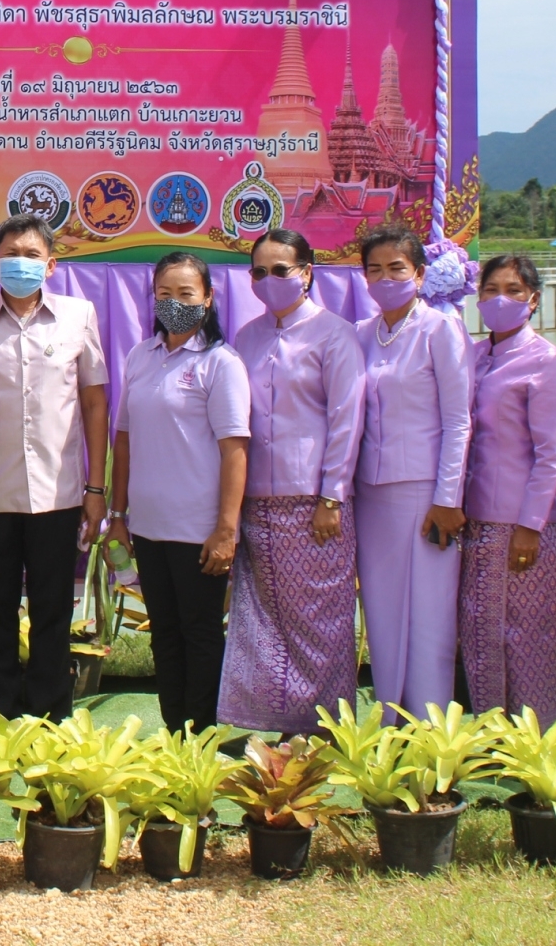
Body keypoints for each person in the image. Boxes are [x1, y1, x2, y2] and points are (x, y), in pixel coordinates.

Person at [0, 214, 108, 723]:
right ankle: (0, 719)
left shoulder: (79, 316)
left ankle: (51, 718)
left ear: (52, 265)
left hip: (60, 494)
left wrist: (96, 487)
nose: (21, 264)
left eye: (32, 255)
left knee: (54, 613)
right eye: (11, 254)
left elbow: (95, 404)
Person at [218, 227, 365, 736]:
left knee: (320, 622)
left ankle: (326, 727)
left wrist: (332, 495)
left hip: (314, 506)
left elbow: (347, 421)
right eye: (258, 272)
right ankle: (282, 724)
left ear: (307, 272)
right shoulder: (246, 337)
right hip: (259, 505)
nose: (268, 279)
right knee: (268, 624)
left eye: (280, 269)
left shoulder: (335, 334)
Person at [104, 252, 248, 735]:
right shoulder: (140, 356)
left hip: (198, 530)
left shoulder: (220, 363)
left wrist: (226, 529)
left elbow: (235, 451)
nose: (174, 303)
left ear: (207, 299)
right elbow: (123, 440)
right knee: (163, 635)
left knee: (201, 634)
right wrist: (118, 514)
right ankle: (173, 731)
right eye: (164, 294)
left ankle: (204, 736)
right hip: (147, 525)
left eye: (186, 294)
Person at [352, 225, 471, 719]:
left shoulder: (441, 329)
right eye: (374, 270)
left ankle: (430, 727)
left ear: (419, 274)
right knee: (380, 614)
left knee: (428, 615)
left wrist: (448, 498)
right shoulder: (360, 334)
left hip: (425, 493)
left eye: (396, 268)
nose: (385, 278)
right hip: (370, 494)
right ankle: (389, 721)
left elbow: (458, 418)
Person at [461, 254, 556, 720]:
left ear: (533, 301)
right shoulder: (473, 356)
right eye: (490, 290)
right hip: (475, 521)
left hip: (522, 523)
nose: (499, 299)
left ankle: (534, 740)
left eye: (512, 291)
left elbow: (552, 454)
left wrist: (531, 526)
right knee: (479, 630)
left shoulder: (548, 363)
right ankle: (491, 735)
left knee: (526, 632)